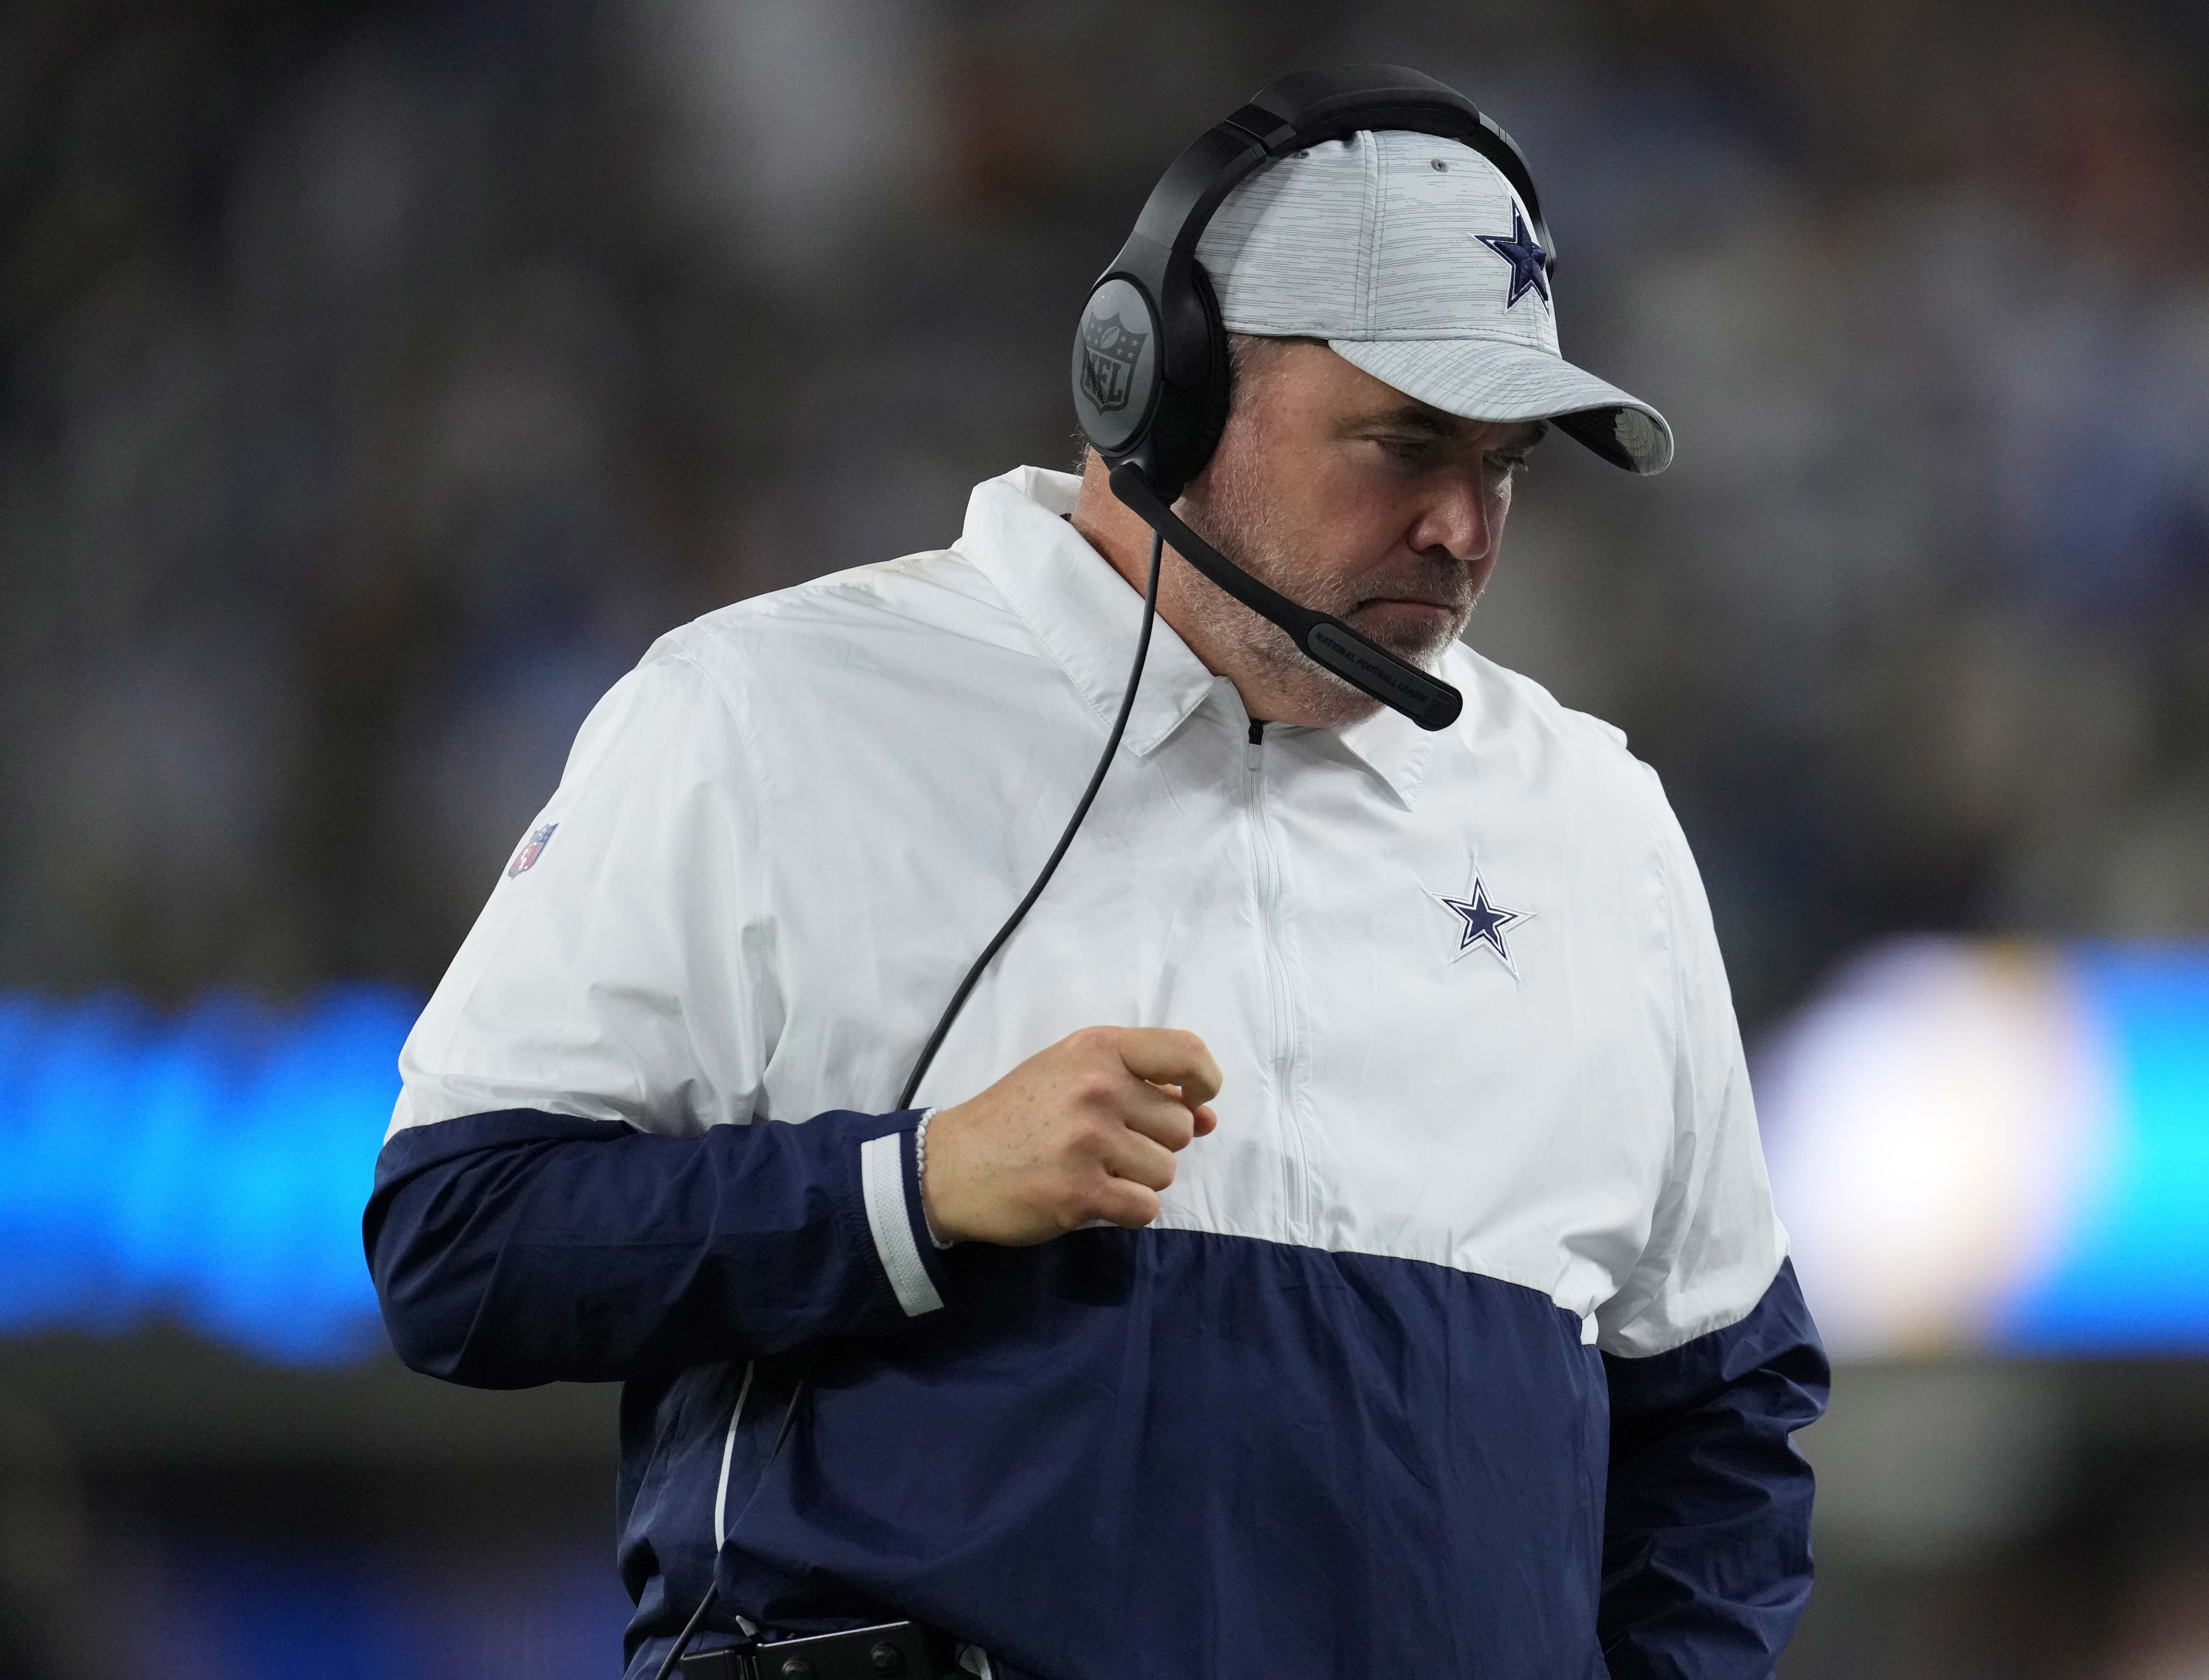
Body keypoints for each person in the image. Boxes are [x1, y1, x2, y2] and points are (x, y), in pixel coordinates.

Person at [365, 67, 1828, 1680]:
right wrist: (909, 1192)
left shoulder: (1594, 818)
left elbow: (1723, 1413)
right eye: (1406, 441)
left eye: (1507, 465)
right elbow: (459, 1240)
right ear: (1162, 390)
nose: (1463, 527)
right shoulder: (769, 711)